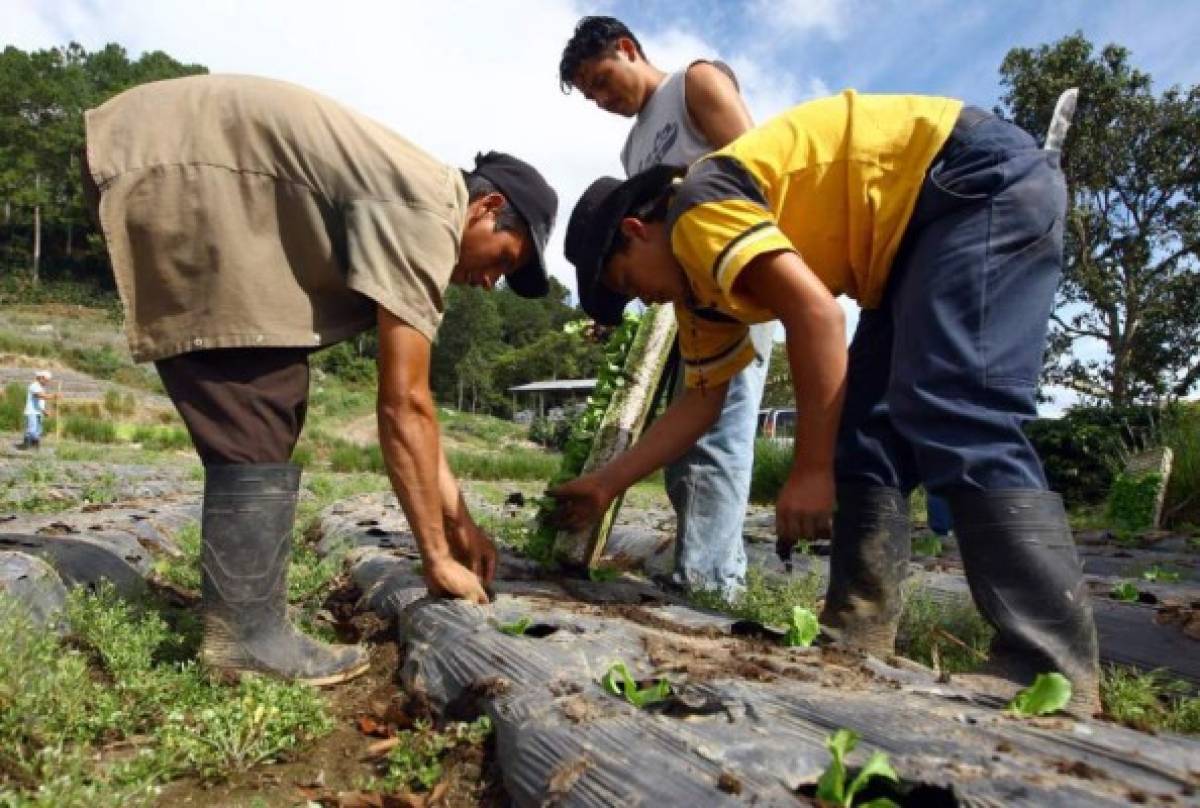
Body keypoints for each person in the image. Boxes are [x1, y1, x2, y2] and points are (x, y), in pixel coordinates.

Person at [554, 90, 1101, 712]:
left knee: (952, 402)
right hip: (905, 244)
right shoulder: (698, 294)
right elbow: (700, 405)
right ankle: (856, 631)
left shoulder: (696, 210)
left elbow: (815, 314)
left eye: (629, 283)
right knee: (865, 433)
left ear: (635, 230)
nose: (645, 300)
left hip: (969, 178)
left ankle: (1049, 664)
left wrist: (810, 472)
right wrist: (603, 485)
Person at [84, 74, 557, 685]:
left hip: (176, 152)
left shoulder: (418, 196)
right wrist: (436, 557)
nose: (492, 281)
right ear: (487, 208)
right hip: (180, 163)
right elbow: (402, 406)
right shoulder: (425, 214)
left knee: (267, 388)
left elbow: (420, 408)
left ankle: (248, 628)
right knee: (257, 390)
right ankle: (246, 639)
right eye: (505, 259)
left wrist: (464, 525)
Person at [559, 16, 772, 599]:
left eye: (601, 80)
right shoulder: (632, 147)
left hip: (737, 282)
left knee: (719, 436)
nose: (601, 99)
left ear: (628, 48)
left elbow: (757, 174)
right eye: (590, 95)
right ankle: (699, 571)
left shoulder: (693, 85)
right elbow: (640, 242)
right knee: (686, 440)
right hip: (687, 301)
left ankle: (708, 585)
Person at [19, 370, 57, 449]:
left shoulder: (41, 387)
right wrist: (53, 396)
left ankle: (30, 446)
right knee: (32, 431)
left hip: (39, 412)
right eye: (46, 381)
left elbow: (40, 402)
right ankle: (30, 445)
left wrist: (44, 411)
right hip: (31, 412)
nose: (47, 383)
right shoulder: (34, 386)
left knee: (38, 431)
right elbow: (40, 396)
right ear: (42, 378)